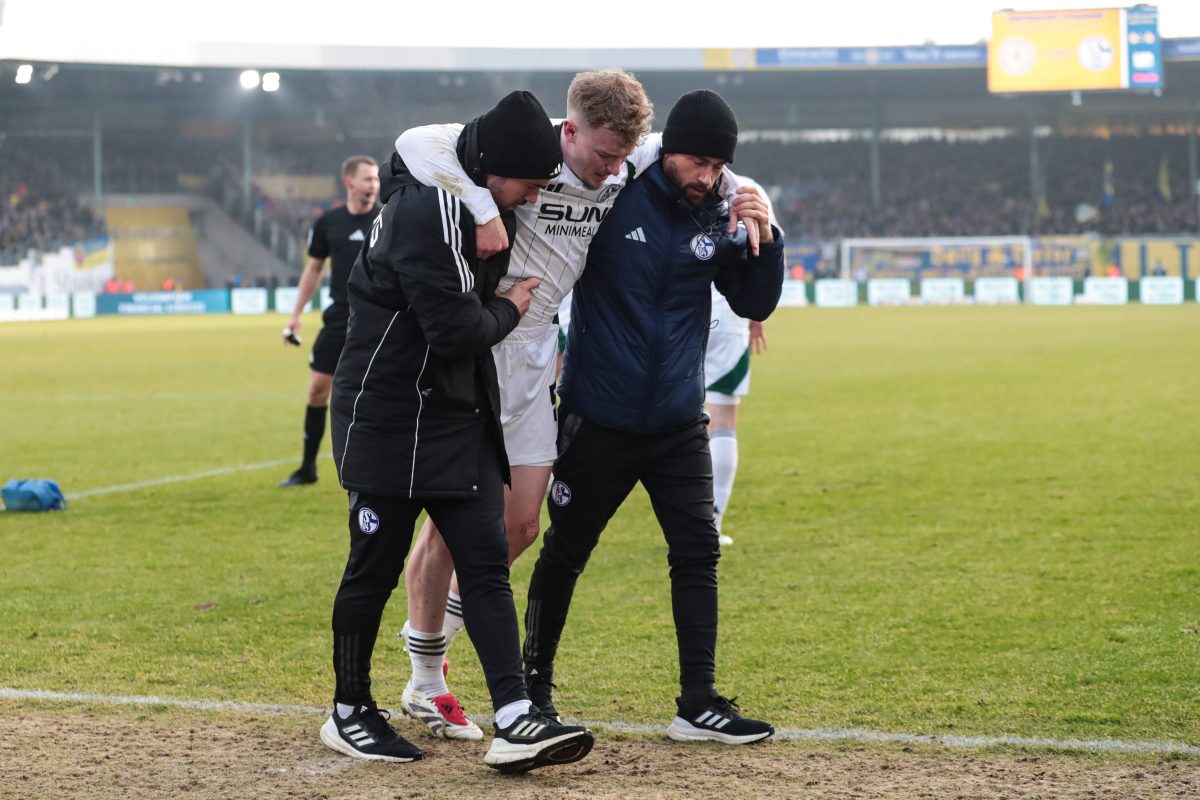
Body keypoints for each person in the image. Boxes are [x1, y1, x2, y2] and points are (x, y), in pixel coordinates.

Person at [321, 90, 594, 774]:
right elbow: (455, 332)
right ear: (493, 168)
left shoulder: (474, 203)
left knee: (485, 560)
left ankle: (515, 716)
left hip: (453, 414)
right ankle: (349, 710)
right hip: (388, 416)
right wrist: (511, 306)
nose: (535, 197)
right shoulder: (426, 210)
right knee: (373, 570)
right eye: (529, 183)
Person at [388, 68, 657, 737]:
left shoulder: (626, 163)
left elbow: (692, 158)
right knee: (452, 526)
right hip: (483, 343)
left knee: (520, 526)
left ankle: (431, 650)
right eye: (603, 153)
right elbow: (414, 141)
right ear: (570, 130)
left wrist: (744, 195)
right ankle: (427, 681)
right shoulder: (524, 148)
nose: (613, 168)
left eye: (622, 156)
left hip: (537, 354)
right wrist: (482, 209)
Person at [522, 89, 784, 745]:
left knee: (697, 553)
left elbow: (755, 300)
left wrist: (768, 237)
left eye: (718, 166)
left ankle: (698, 704)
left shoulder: (722, 206)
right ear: (668, 150)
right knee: (566, 553)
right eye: (698, 161)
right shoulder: (614, 192)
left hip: (677, 421)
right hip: (597, 418)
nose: (707, 176)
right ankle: (534, 695)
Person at [278, 155, 380, 488]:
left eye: (376, 179)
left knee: (373, 397)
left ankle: (375, 469)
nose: (374, 185)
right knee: (317, 390)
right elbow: (313, 269)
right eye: (367, 179)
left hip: (377, 320)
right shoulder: (329, 222)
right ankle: (308, 468)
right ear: (349, 182)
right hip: (339, 318)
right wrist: (296, 315)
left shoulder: (387, 219)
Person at [704, 173, 779, 548]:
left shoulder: (679, 183)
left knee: (676, 419)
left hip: (682, 308)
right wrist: (756, 318)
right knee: (722, 420)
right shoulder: (752, 189)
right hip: (730, 314)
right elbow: (765, 253)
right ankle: (711, 523)